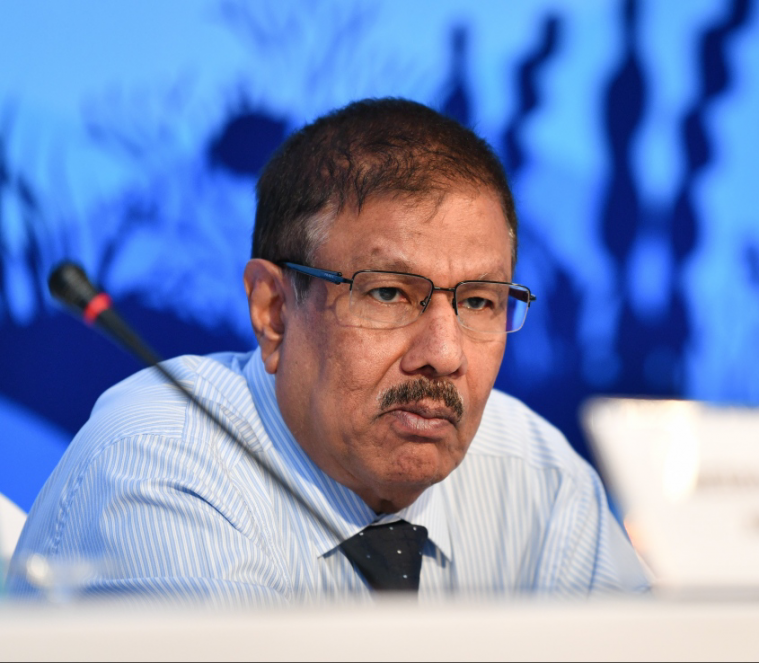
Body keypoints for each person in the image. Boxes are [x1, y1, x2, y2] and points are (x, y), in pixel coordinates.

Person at [7, 98, 648, 602]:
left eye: (480, 302)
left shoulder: (542, 478)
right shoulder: (157, 470)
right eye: (389, 293)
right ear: (274, 311)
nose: (445, 353)